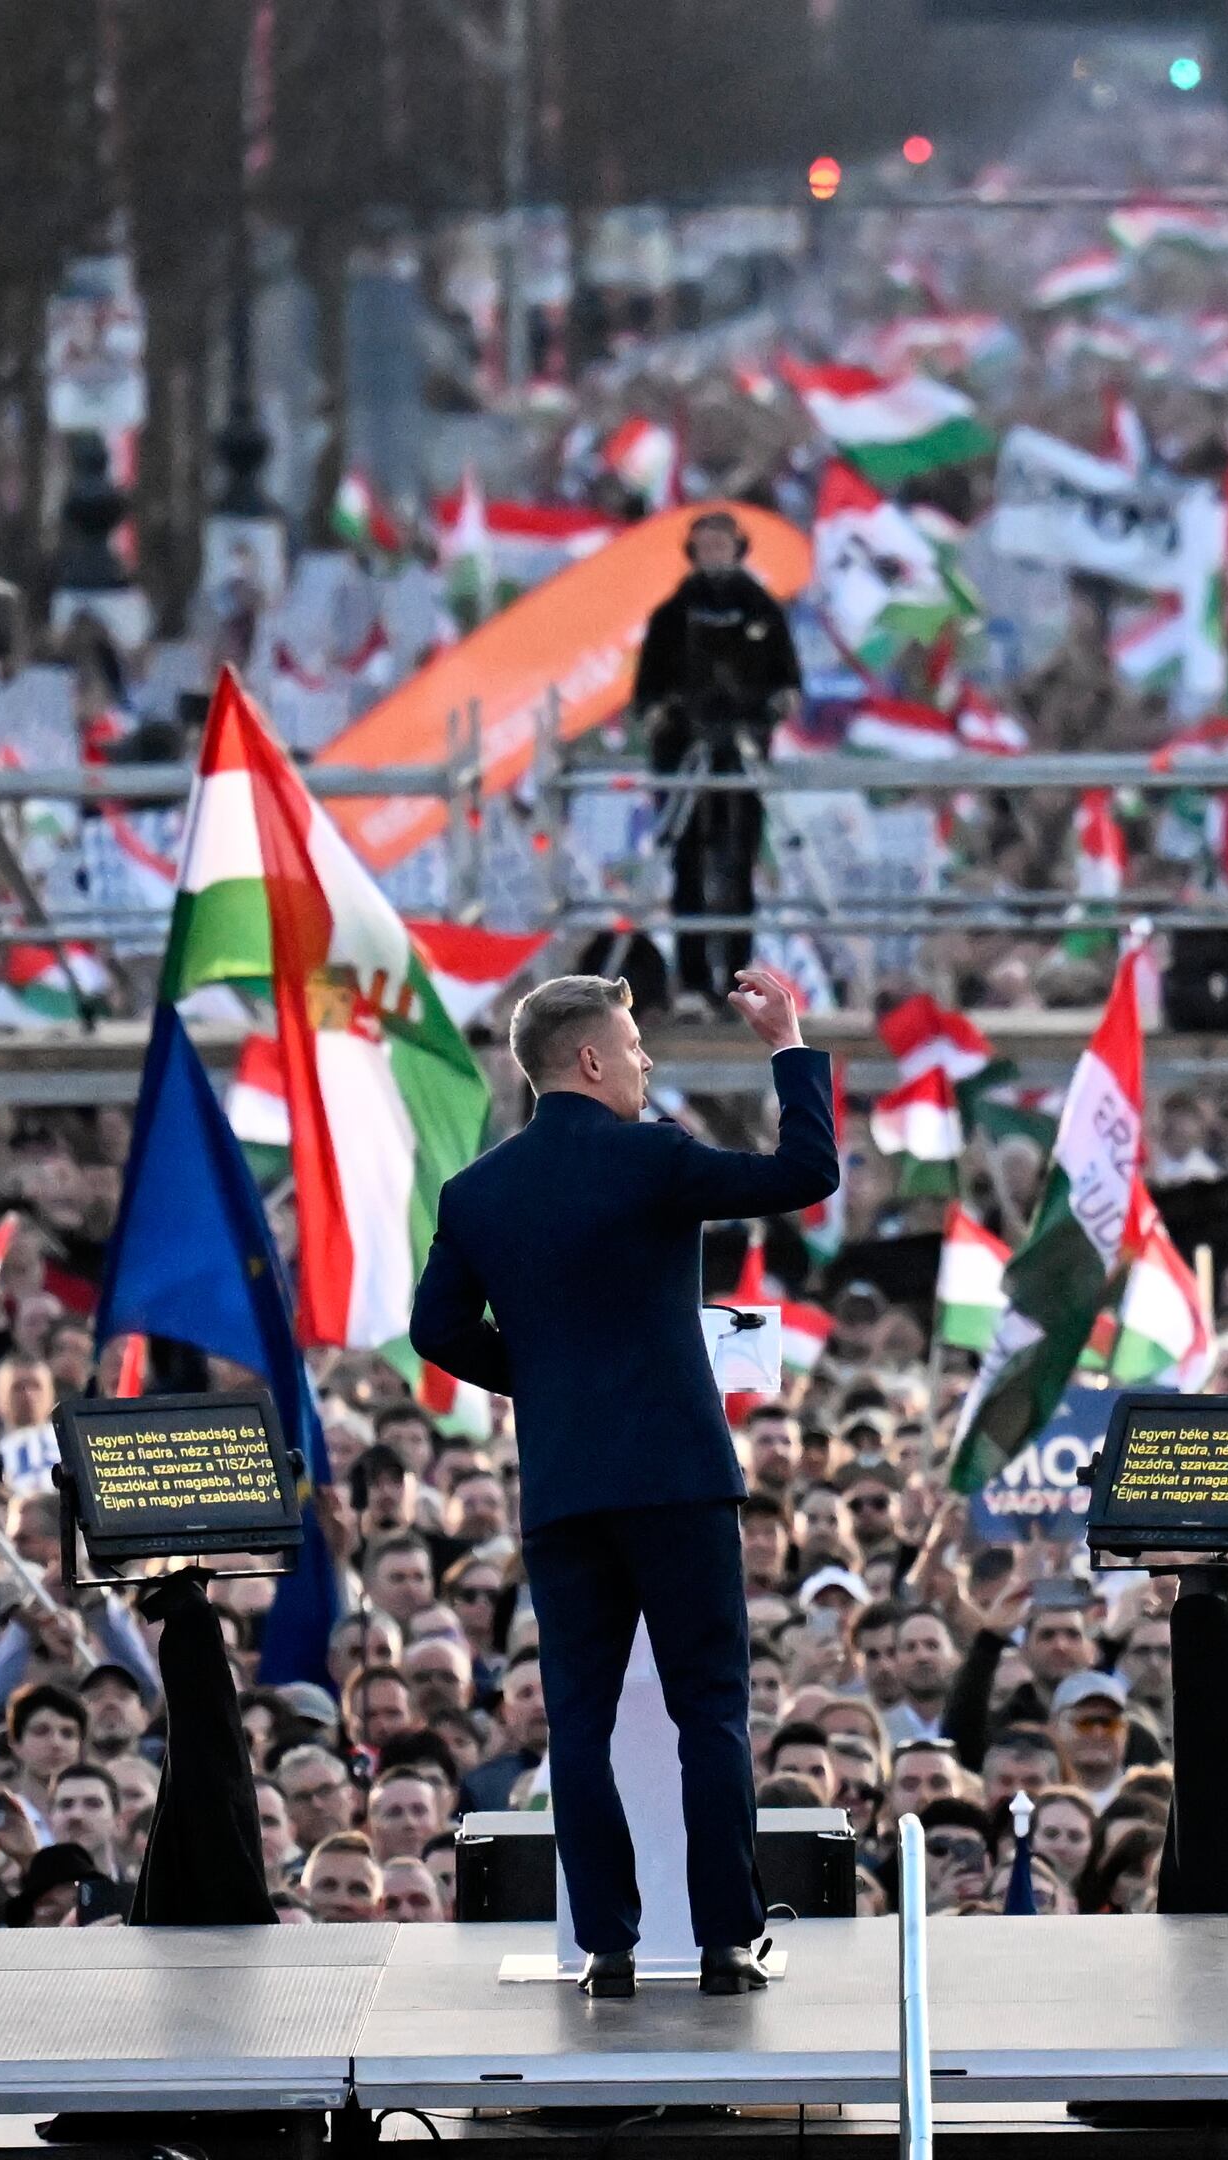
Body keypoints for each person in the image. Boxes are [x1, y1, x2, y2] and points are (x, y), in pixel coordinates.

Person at [410, 968, 837, 1997]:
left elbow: (436, 1331)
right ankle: (728, 1941)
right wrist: (787, 1042)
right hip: (679, 1484)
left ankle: (607, 1946)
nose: (647, 1063)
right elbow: (806, 1171)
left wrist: (548, 1375)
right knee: (711, 1714)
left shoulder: (477, 1193)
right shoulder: (656, 1160)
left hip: (566, 1491)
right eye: (636, 1046)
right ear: (591, 1059)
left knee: (581, 1725)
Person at [628, 512, 802, 1009]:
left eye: (721, 544)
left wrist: (767, 709)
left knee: (740, 861)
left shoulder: (763, 612)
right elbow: (648, 694)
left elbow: (787, 683)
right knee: (687, 863)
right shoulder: (671, 616)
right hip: (685, 756)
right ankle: (696, 980)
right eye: (704, 545)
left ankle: (739, 977)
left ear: (738, 548)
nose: (713, 554)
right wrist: (667, 715)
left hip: (742, 757)